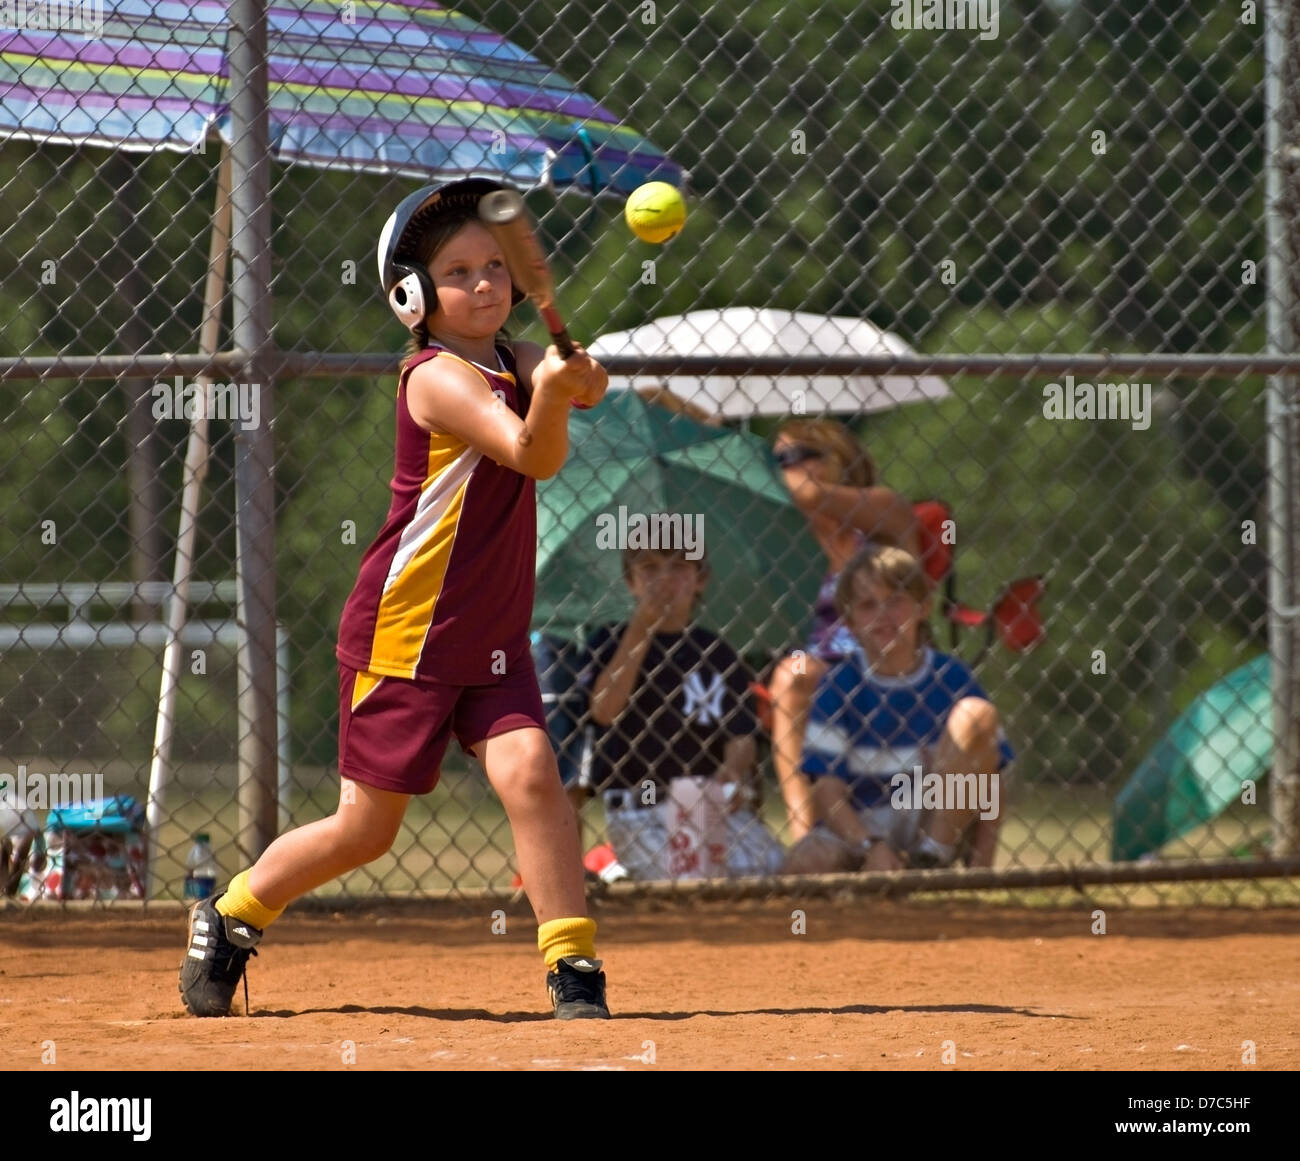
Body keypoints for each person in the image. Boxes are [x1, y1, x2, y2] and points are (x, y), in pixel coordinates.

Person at [179, 178, 612, 1021]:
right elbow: (532, 452)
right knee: (367, 830)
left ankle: (575, 969)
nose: (485, 283)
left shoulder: (516, 357)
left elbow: (578, 387)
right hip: (406, 635)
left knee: (533, 777)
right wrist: (560, 392)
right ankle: (230, 915)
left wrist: (581, 373)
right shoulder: (434, 378)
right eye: (458, 271)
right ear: (412, 295)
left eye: (495, 265)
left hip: (491, 636)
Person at [782, 544, 1013, 873]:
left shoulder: (953, 678)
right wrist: (868, 845)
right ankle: (867, 888)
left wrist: (982, 866)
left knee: (976, 715)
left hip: (934, 816)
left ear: (923, 608)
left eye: (896, 601)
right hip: (863, 823)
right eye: (867, 605)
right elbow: (827, 791)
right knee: (807, 861)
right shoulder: (838, 685)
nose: (883, 616)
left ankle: (930, 859)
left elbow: (992, 781)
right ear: (848, 622)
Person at [577, 545, 784, 880]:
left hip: (707, 806)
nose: (664, 579)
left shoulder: (716, 652)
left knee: (775, 868)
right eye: (649, 568)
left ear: (700, 580)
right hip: (640, 810)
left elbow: (741, 733)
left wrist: (732, 770)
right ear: (631, 582)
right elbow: (604, 710)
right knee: (690, 880)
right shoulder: (611, 639)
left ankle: (619, 870)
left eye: (678, 567)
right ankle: (614, 865)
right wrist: (641, 629)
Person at [768, 419, 918, 843]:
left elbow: (814, 494)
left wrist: (771, 479)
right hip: (818, 675)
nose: (784, 470)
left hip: (884, 662)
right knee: (794, 674)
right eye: (775, 461)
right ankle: (807, 836)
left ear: (839, 459)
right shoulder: (784, 541)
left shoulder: (881, 518)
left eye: (795, 456)